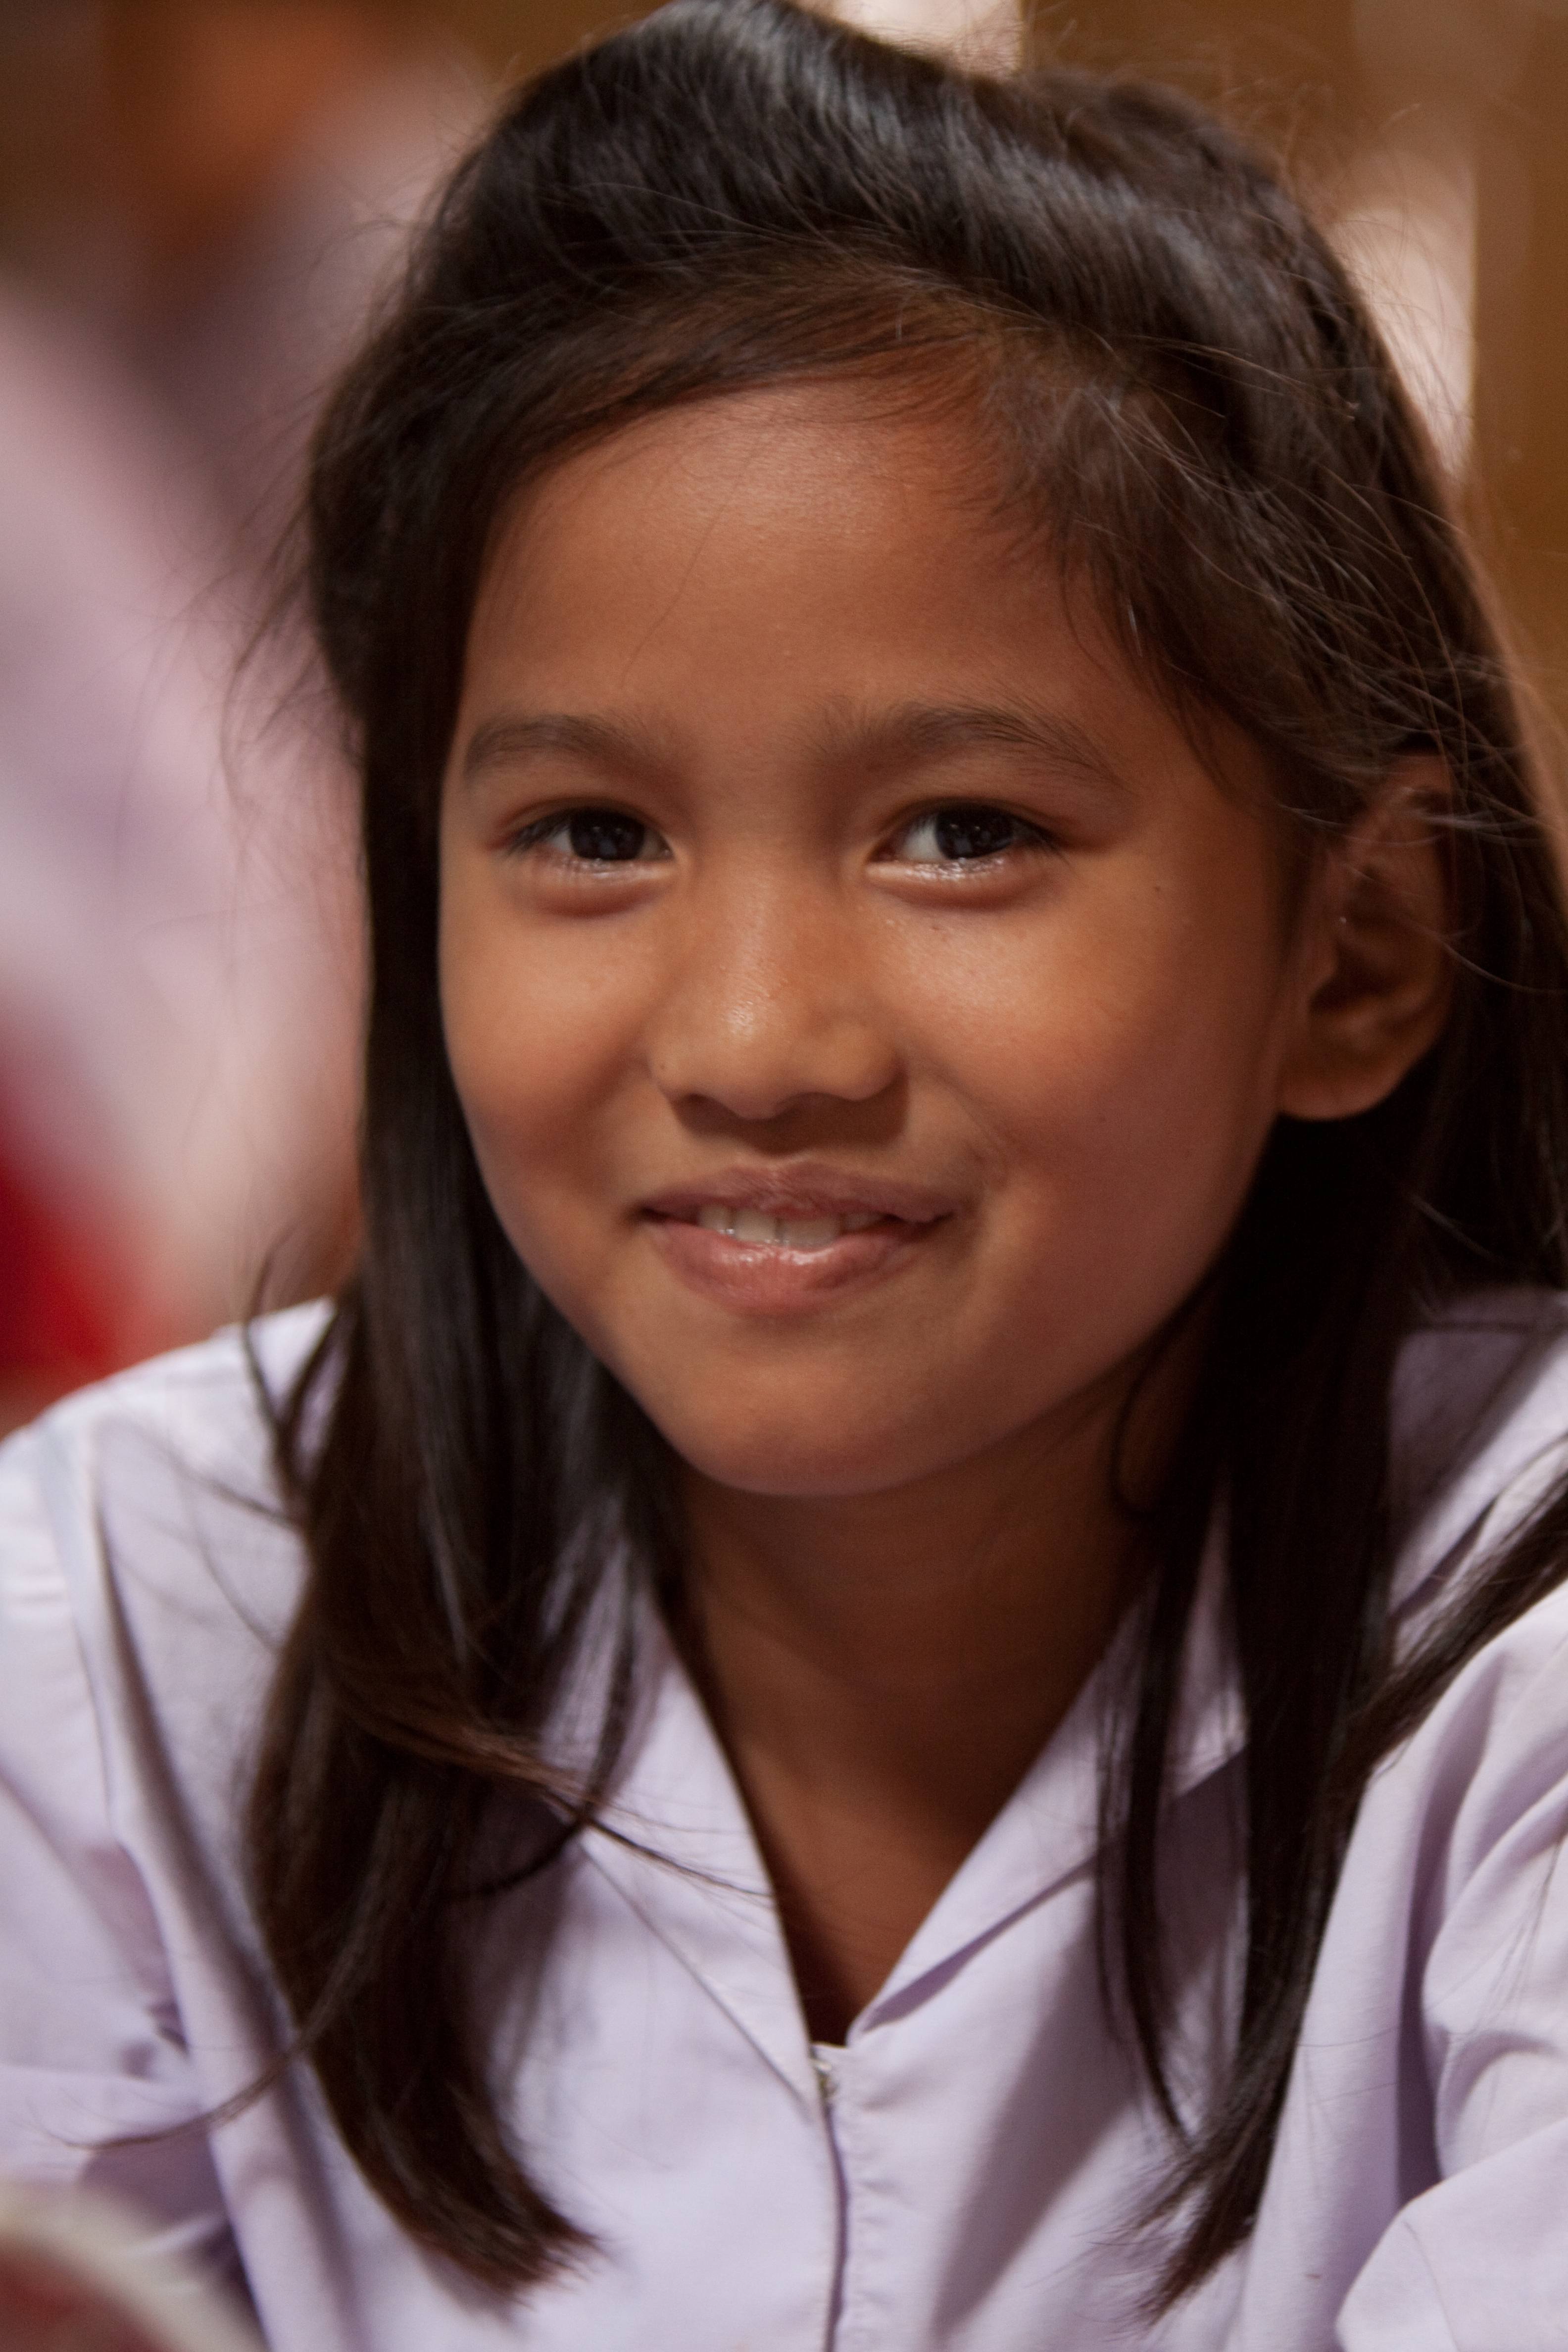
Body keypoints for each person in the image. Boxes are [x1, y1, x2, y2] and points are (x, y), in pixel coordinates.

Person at [0, 3, 1567, 2344]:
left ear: (1349, 956)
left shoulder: (1519, 1653)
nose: (752, 1044)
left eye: (963, 836)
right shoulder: (122, 1623)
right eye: (590, 837)